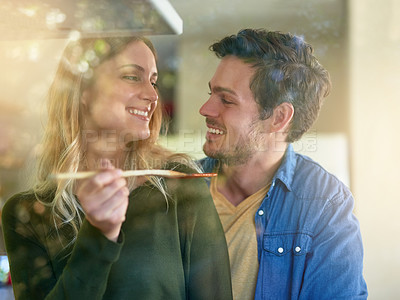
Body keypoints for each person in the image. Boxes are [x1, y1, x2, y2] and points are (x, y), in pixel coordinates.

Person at [1, 35, 232, 300]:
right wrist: (99, 237)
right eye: (132, 77)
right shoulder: (27, 214)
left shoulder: (180, 184)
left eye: (153, 81)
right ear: (83, 90)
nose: (152, 95)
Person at [198, 28, 368, 299]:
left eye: (226, 100)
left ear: (278, 118)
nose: (205, 109)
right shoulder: (175, 188)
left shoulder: (325, 206)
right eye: (211, 93)